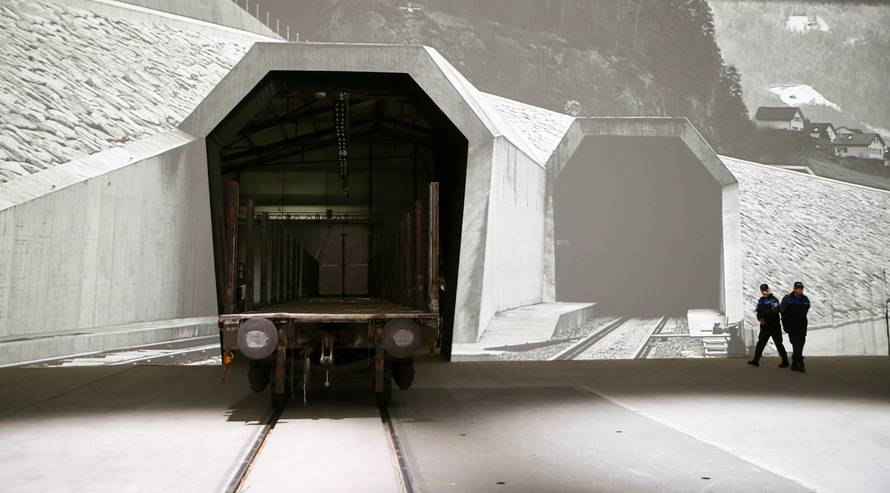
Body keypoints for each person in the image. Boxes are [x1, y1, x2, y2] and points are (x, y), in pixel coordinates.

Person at [747, 283, 789, 368]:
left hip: (774, 326)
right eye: (762, 290)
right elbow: (758, 312)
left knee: (778, 344)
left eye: (765, 290)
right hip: (765, 327)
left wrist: (764, 319)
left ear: (768, 290)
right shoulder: (761, 300)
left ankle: (785, 361)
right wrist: (760, 318)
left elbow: (775, 312)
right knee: (760, 344)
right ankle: (756, 361)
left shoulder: (774, 300)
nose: (764, 291)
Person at [780, 281, 811, 372]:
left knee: (801, 342)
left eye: (801, 288)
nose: (800, 290)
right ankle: (800, 362)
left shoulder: (805, 299)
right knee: (796, 343)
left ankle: (794, 363)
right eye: (798, 288)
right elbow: (782, 311)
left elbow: (806, 308)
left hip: (802, 325)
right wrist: (786, 325)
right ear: (794, 289)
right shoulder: (787, 298)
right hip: (792, 325)